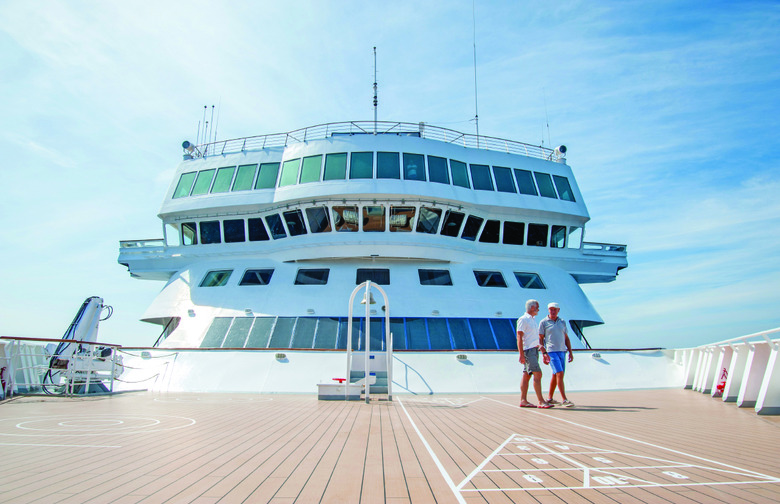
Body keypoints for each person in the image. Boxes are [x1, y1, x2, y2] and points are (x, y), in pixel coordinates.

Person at [516, 299, 552, 408]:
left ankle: (523, 400)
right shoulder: (523, 319)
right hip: (528, 351)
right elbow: (519, 337)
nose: (538, 309)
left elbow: (534, 338)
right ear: (532, 308)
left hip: (534, 350)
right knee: (538, 373)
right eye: (537, 307)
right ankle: (541, 401)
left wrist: (543, 351)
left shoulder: (533, 320)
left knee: (526, 375)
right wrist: (521, 354)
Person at [539, 302, 575, 407]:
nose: (553, 311)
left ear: (558, 310)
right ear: (548, 310)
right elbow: (540, 338)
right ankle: (564, 399)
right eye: (551, 309)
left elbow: (566, 338)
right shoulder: (543, 322)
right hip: (551, 351)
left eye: (554, 309)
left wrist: (570, 352)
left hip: (562, 351)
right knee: (560, 373)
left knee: (556, 375)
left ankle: (550, 398)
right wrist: (544, 353)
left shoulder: (562, 322)